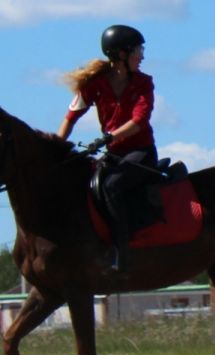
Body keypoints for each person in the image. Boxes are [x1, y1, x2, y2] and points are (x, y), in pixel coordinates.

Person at [58, 24, 159, 272]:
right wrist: (57, 148)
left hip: (141, 153)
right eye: (138, 50)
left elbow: (139, 122)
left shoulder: (144, 83)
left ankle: (120, 252)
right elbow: (70, 118)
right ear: (121, 55)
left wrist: (107, 138)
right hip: (114, 154)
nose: (142, 56)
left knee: (112, 185)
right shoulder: (95, 84)